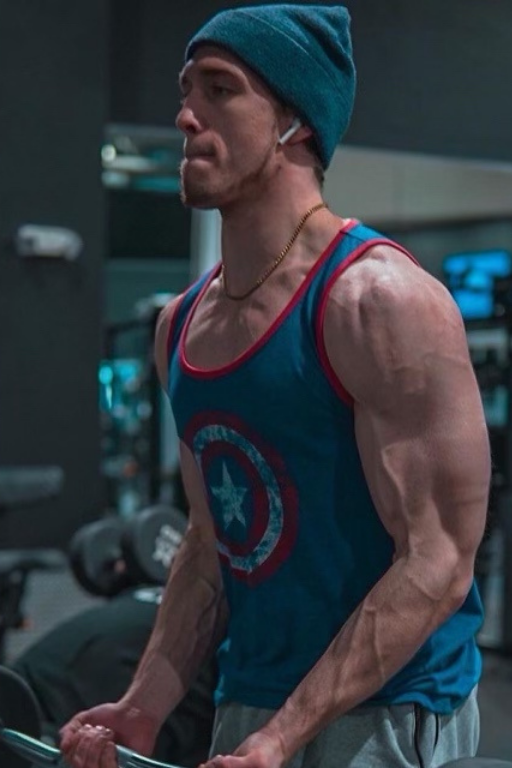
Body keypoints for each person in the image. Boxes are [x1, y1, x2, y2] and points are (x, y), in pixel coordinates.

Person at [60, 5, 491, 768]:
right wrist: (144, 706)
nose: (186, 116)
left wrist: (286, 734)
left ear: (296, 122)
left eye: (220, 89)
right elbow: (209, 543)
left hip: (388, 706)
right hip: (250, 697)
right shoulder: (181, 325)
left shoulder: (378, 302)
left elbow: (439, 560)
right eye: (187, 90)